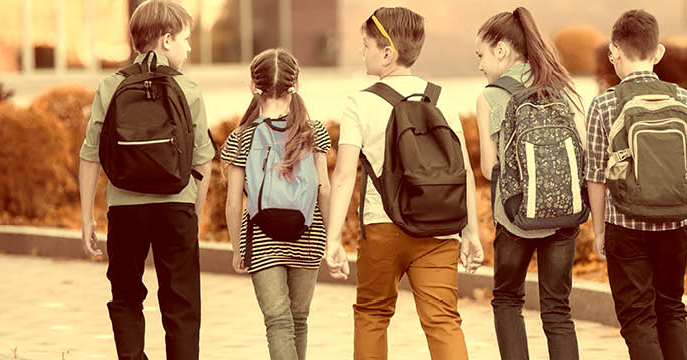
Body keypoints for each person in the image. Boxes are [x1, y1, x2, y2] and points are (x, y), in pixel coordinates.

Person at [321, 6, 484, 360]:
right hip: (441, 230)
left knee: (372, 317)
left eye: (365, 45)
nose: (362, 52)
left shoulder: (360, 102)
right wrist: (471, 232)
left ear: (386, 52)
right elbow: (464, 172)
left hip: (383, 229)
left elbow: (345, 174)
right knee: (443, 322)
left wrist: (333, 239)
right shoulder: (442, 98)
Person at [585, 9, 687, 360]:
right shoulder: (685, 100)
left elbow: (596, 178)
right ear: (658, 52)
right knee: (672, 309)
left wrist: (599, 231)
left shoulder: (604, 104)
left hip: (624, 225)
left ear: (614, 51)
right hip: (675, 222)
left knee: (637, 318)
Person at [78, 1, 213, 359]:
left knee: (125, 296)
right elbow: (204, 161)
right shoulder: (190, 89)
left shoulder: (110, 86)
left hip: (124, 209)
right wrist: (193, 213)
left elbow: (90, 154)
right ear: (166, 40)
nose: (189, 47)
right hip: (176, 207)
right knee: (181, 303)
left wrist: (86, 218)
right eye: (185, 38)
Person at [474, 7, 587, 360]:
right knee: (558, 309)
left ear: (502, 49)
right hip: (565, 218)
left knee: (507, 299)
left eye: (481, 55)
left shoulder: (490, 96)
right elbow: (582, 154)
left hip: (515, 217)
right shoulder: (562, 89)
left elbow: (489, 167)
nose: (479, 65)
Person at [221, 48, 332, 360]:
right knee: (299, 319)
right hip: (308, 235)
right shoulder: (314, 131)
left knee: (278, 321)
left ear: (253, 86)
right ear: (295, 83)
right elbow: (324, 189)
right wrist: (332, 237)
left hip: (261, 238)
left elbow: (233, 203)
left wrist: (236, 248)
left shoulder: (241, 136)